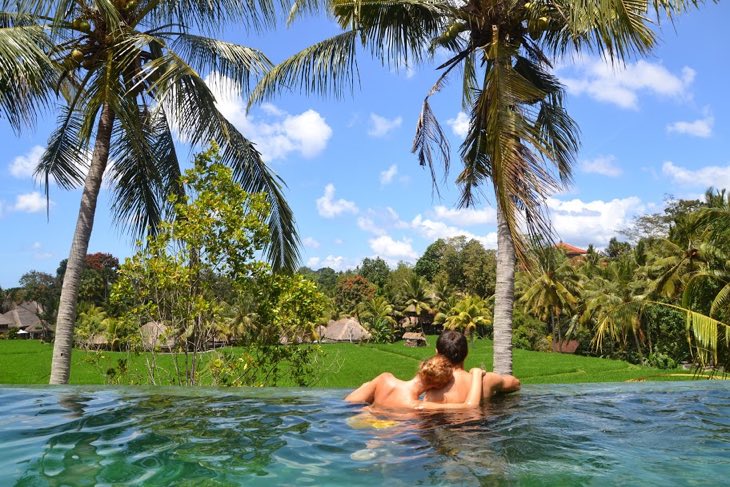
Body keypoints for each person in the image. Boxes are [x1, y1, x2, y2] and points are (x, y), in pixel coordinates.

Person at [345, 354, 485, 410]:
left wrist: (366, 386)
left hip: (361, 422)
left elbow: (348, 402)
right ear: (437, 386)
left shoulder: (384, 379)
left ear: (422, 366)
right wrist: (477, 374)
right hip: (388, 436)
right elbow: (470, 406)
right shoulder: (416, 405)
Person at [425, 330, 521, 404]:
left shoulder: (432, 390)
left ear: (437, 353)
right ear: (466, 353)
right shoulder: (486, 380)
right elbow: (515, 383)